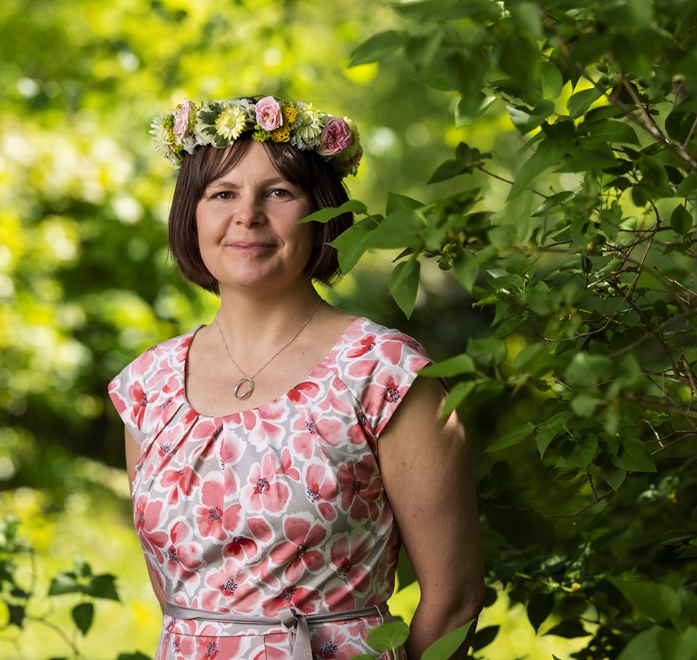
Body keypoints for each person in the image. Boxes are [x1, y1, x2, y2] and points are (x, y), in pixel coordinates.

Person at [108, 96, 484, 660]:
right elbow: (175, 597)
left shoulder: (384, 372)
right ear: (192, 213)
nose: (248, 216)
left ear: (323, 213)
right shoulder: (146, 386)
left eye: (278, 192)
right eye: (223, 193)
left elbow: (455, 599)